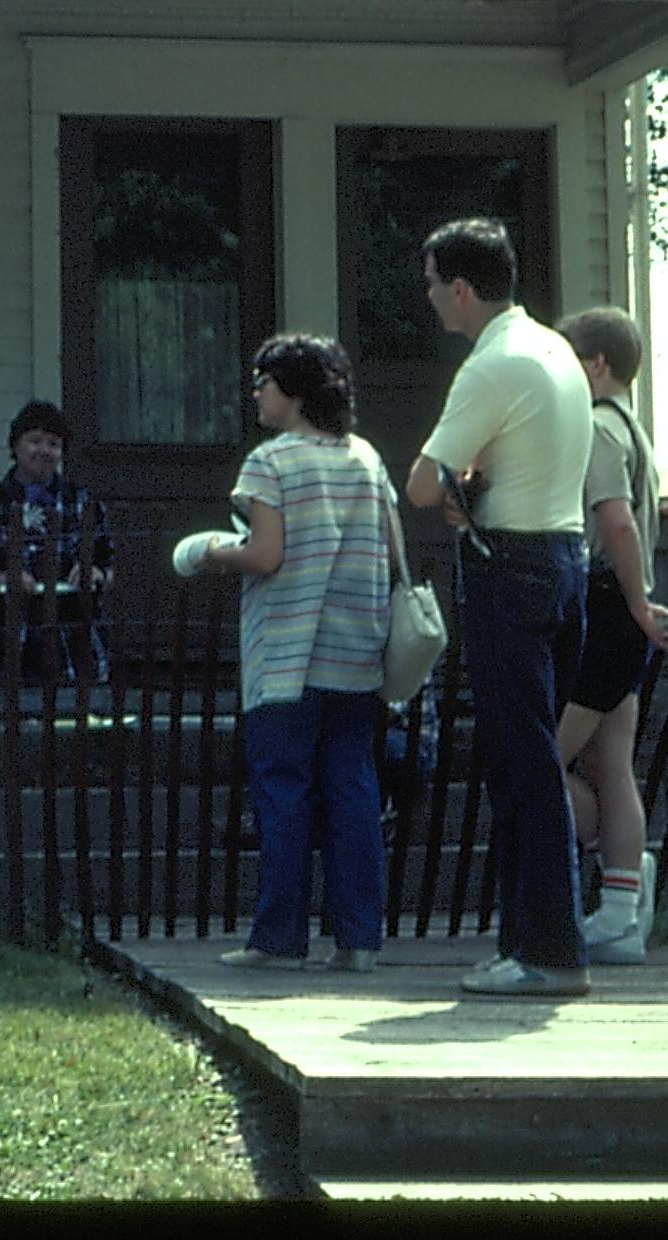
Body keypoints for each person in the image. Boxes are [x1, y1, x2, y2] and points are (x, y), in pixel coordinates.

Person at [400, 218, 596, 998]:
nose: (428, 300)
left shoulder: (490, 365)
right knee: (532, 759)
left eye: (430, 285)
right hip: (564, 561)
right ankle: (528, 943)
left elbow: (420, 483)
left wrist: (457, 488)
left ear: (459, 288)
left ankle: (550, 953)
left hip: (508, 570)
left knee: (522, 768)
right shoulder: (553, 349)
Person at [172, 333, 392, 973]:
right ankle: (359, 941)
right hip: (357, 650)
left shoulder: (271, 463)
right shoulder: (365, 458)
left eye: (264, 380)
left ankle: (278, 937)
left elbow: (266, 556)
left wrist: (211, 553)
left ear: (292, 391)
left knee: (284, 793)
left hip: (289, 654)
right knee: (353, 792)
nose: (256, 392)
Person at [554, 305, 668, 965]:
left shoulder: (598, 428)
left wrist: (634, 606)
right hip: (625, 616)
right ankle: (622, 905)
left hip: (607, 609)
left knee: (539, 763)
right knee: (610, 763)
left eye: (570, 361)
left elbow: (617, 525)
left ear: (596, 365)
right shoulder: (634, 429)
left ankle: (591, 893)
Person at [0, 398, 116, 689]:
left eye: (54, 443)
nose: (44, 451)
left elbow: (109, 567)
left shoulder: (84, 503)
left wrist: (96, 573)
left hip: (75, 649)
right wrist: (0, 578)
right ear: (15, 447)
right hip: (0, 648)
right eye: (35, 441)